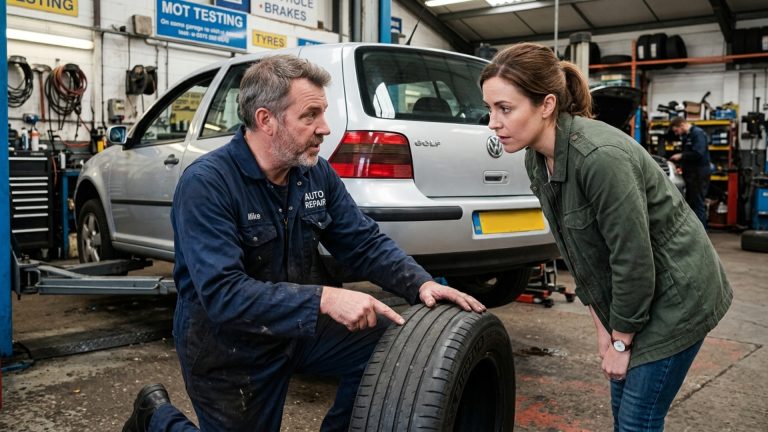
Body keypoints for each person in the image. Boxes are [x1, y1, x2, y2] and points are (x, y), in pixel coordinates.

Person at [123, 55, 485, 432]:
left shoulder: (313, 174)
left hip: (297, 331)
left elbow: (361, 241)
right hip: (229, 347)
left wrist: (421, 283)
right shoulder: (208, 184)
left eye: (323, 113)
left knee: (394, 344)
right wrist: (326, 299)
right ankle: (155, 417)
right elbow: (223, 294)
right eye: (310, 115)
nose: (324, 128)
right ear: (266, 120)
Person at [480, 43, 732, 432]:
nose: (492, 123)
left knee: (636, 420)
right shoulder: (537, 158)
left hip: (679, 294)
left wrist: (621, 341)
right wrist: (605, 332)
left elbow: (631, 258)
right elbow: (578, 254)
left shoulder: (598, 157)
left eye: (505, 109)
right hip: (636, 295)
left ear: (546, 105)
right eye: (490, 109)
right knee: (623, 409)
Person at [668, 116, 711, 227]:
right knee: (691, 203)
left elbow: (698, 153)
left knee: (697, 204)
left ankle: (702, 235)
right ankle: (695, 232)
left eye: (677, 130)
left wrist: (681, 155)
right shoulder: (687, 136)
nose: (677, 134)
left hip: (699, 174)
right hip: (692, 174)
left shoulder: (697, 134)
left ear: (682, 125)